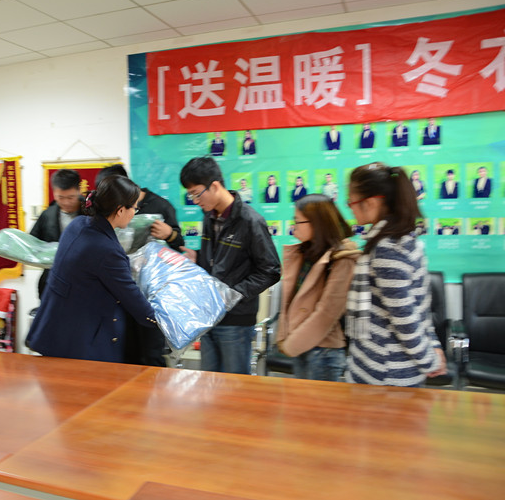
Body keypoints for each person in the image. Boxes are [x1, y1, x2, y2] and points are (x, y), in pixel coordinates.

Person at [26, 175, 158, 363]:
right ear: (120, 210)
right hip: (81, 342)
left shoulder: (78, 224)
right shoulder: (107, 249)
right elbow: (131, 296)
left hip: (56, 330)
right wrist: (163, 321)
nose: (134, 212)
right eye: (134, 208)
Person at [344, 162, 446, 387]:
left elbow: (405, 318)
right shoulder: (404, 240)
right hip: (379, 366)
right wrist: (433, 346)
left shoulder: (388, 249)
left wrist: (430, 361)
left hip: (385, 375)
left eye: (351, 202)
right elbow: (419, 307)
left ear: (371, 203)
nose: (350, 208)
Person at [179, 157, 281, 374]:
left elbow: (271, 270)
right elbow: (222, 260)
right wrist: (198, 257)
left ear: (215, 186)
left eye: (196, 193)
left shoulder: (250, 221)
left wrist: (233, 294)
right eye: (191, 195)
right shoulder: (209, 217)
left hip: (236, 320)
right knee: (209, 382)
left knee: (234, 385)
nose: (195, 201)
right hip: (209, 316)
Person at [95, 164, 183, 366]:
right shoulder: (108, 214)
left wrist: (170, 234)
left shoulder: (161, 206)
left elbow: (179, 246)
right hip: (118, 297)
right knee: (125, 355)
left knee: (152, 356)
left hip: (150, 298)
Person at [276, 194, 361, 381]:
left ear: (316, 223)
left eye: (297, 221)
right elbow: (289, 302)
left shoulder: (343, 259)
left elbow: (327, 313)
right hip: (299, 345)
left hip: (323, 352)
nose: (294, 226)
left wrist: (291, 345)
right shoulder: (305, 253)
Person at [30, 169, 83, 299]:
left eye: (71, 197)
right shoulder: (47, 215)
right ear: (54, 193)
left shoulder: (91, 213)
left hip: (84, 283)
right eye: (61, 197)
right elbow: (32, 243)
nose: (66, 202)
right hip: (52, 283)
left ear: (79, 190)